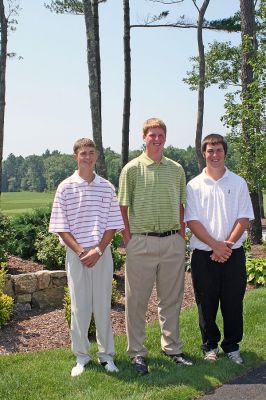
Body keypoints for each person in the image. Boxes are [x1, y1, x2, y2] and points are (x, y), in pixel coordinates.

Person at [118, 117, 193, 375]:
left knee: (171, 300)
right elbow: (122, 207)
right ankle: (137, 353)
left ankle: (172, 348)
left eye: (161, 135)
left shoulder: (176, 169)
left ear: (165, 138)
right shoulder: (132, 169)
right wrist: (128, 238)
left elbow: (183, 206)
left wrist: (182, 236)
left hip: (172, 241)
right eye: (152, 135)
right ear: (144, 137)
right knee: (136, 301)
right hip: (141, 242)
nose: (157, 139)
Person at [49, 138, 124, 377]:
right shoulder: (65, 187)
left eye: (92, 153)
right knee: (80, 308)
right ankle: (81, 357)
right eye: (83, 153)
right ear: (76, 156)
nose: (88, 157)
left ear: (96, 157)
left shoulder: (107, 187)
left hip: (102, 253)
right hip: (77, 255)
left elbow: (112, 225)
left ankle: (106, 356)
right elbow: (61, 227)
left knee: (102, 305)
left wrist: (98, 250)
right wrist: (82, 251)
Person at [184, 133, 254, 364]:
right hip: (203, 255)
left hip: (233, 253)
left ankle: (232, 346)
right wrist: (215, 246)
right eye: (210, 151)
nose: (214, 155)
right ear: (204, 154)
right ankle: (210, 346)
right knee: (206, 303)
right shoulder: (193, 185)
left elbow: (244, 217)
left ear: (225, 153)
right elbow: (192, 221)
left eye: (219, 150)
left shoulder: (238, 182)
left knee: (233, 302)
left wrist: (227, 246)